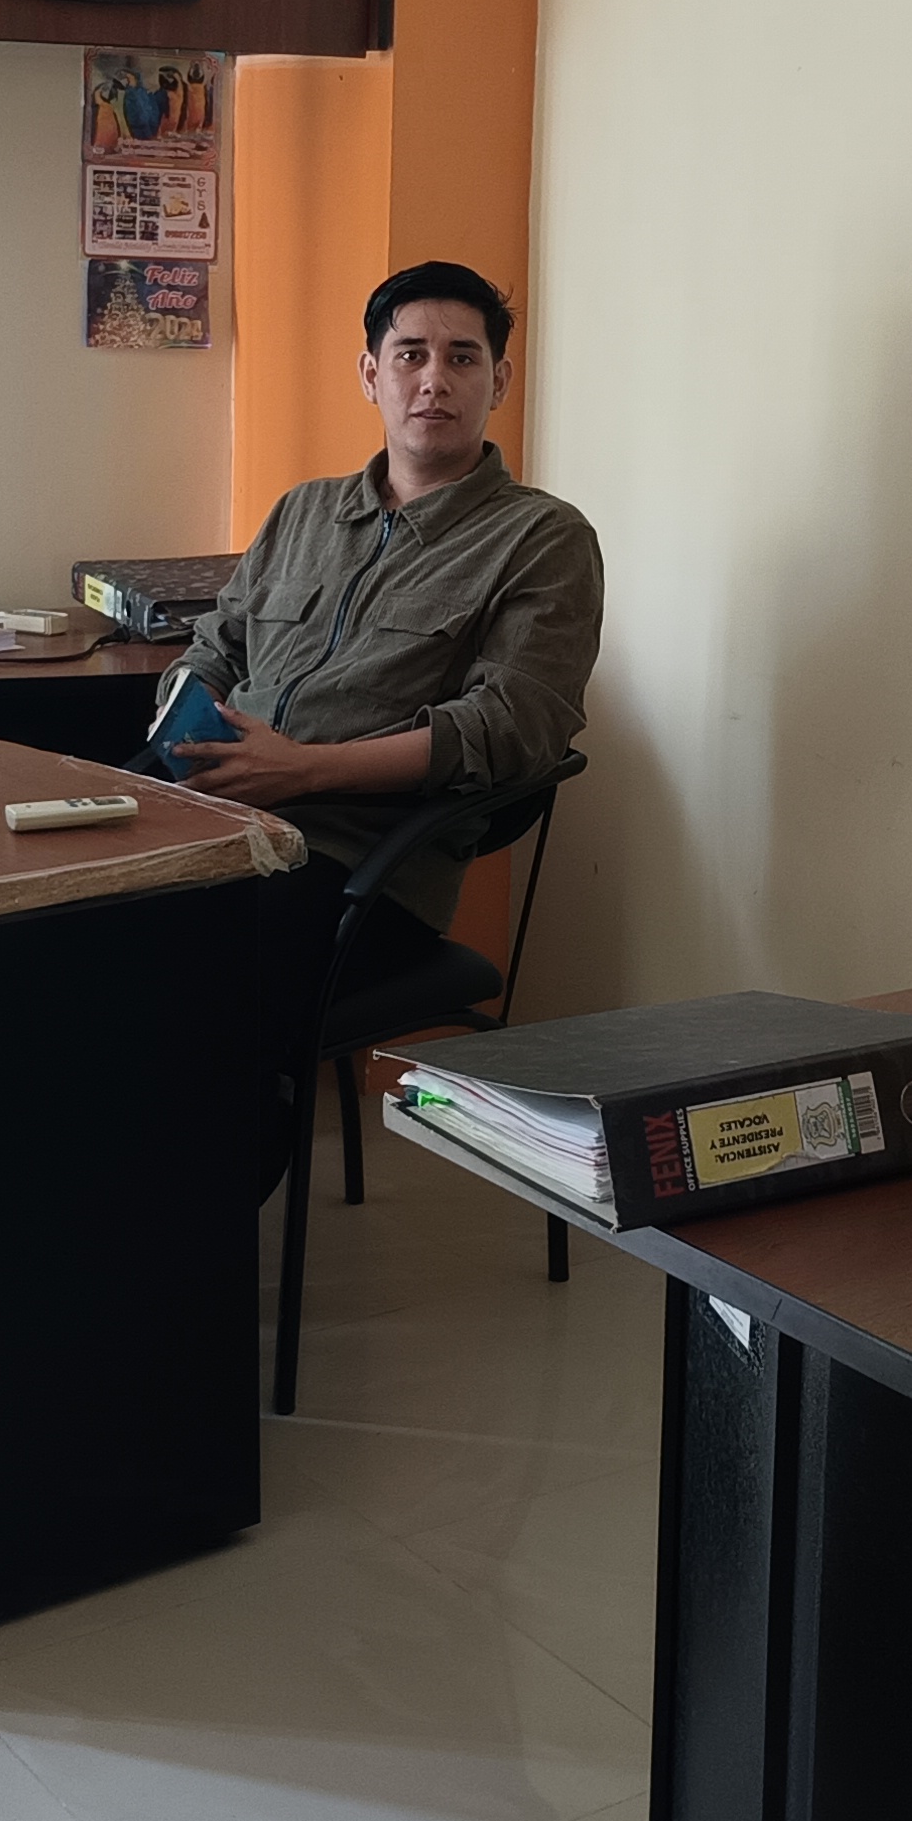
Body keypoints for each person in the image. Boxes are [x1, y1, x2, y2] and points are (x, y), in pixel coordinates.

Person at [159, 260, 602, 1154]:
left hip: (360, 866)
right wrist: (185, 721)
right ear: (372, 374)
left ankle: (193, 1219)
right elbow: (214, 649)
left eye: (463, 357)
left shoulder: (542, 538)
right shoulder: (303, 513)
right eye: (410, 355)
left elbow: (511, 728)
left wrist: (303, 772)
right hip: (209, 817)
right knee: (52, 938)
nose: (434, 379)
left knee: (188, 991)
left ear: (498, 381)